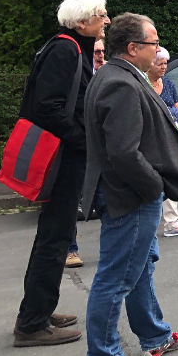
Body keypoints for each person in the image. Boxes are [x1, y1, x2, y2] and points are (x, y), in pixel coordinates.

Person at [79, 13, 178, 356]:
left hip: (130, 194)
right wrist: (154, 187)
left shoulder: (117, 76)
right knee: (116, 277)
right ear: (133, 48)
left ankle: (154, 336)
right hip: (130, 197)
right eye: (153, 43)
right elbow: (124, 152)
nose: (158, 49)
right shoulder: (121, 84)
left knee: (140, 267)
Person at [12, 0, 108, 347]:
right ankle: (31, 324)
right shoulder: (65, 50)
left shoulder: (69, 48)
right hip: (62, 158)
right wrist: (83, 139)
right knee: (55, 238)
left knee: (55, 236)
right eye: (100, 15)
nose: (106, 20)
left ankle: (38, 309)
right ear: (81, 22)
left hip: (66, 155)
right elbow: (48, 107)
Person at [147, 47, 178, 237]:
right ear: (149, 64)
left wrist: (173, 120)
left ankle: (172, 223)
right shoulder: (143, 84)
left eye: (165, 63)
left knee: (171, 176)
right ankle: (148, 226)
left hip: (171, 139)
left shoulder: (168, 84)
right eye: (159, 63)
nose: (163, 67)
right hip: (151, 141)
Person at [68, 38, 107, 268]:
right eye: (96, 52)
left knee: (105, 200)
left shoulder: (109, 73)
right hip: (81, 146)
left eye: (103, 51)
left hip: (101, 150)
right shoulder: (79, 75)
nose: (100, 55)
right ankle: (70, 249)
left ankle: (109, 250)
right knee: (72, 200)